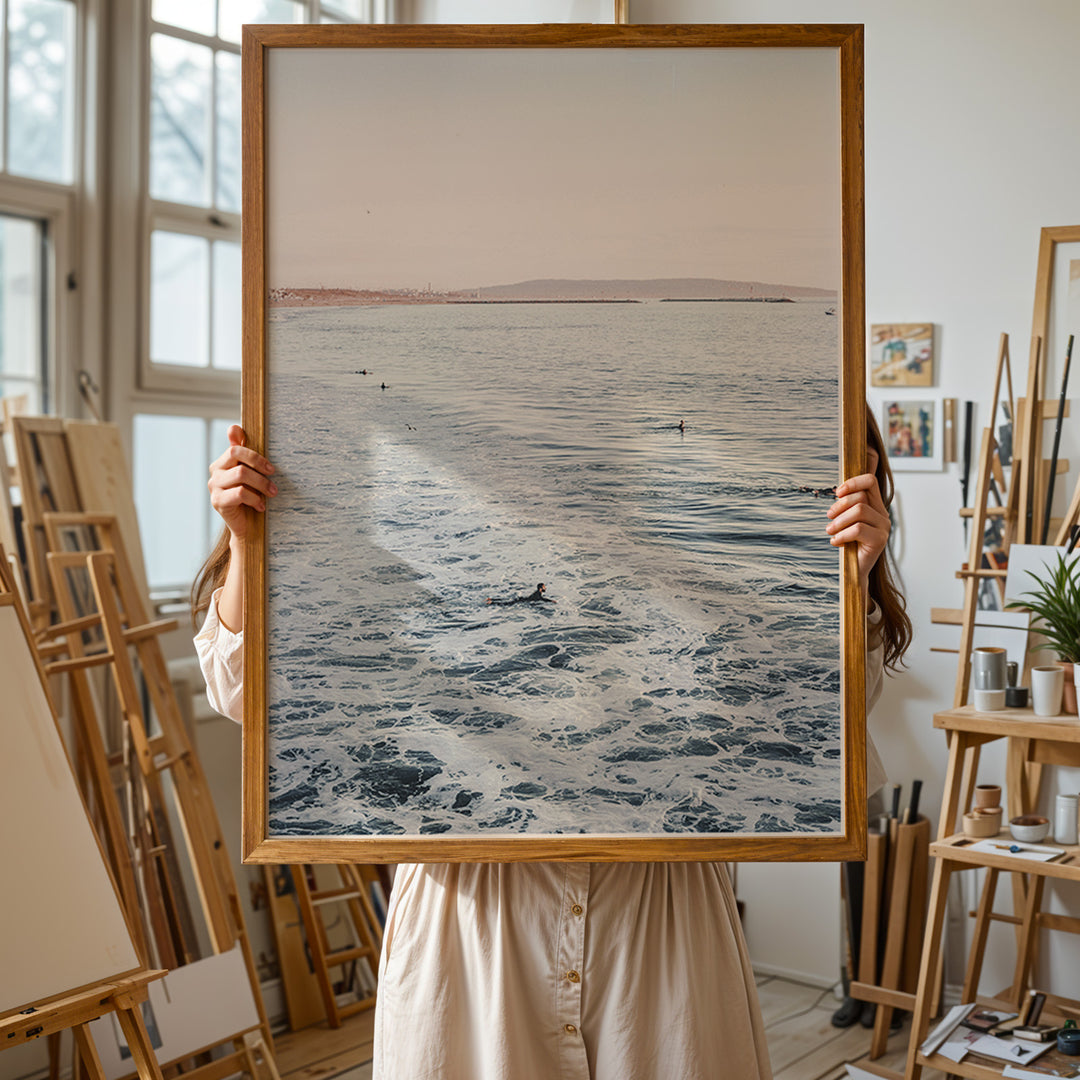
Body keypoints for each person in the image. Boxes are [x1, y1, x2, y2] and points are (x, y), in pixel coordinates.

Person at [193, 417, 909, 1080]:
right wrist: (249, 545)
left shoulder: (683, 559)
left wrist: (852, 577)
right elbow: (245, 697)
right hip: (469, 917)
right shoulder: (412, 550)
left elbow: (824, 722)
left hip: (662, 914)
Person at [486, 582, 555, 606]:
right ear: (541, 588)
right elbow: (542, 599)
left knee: (507, 600)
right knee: (506, 604)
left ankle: (491, 599)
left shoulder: (537, 593)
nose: (545, 588)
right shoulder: (538, 594)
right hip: (521, 601)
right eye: (544, 587)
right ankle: (491, 602)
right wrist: (551, 601)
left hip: (521, 599)